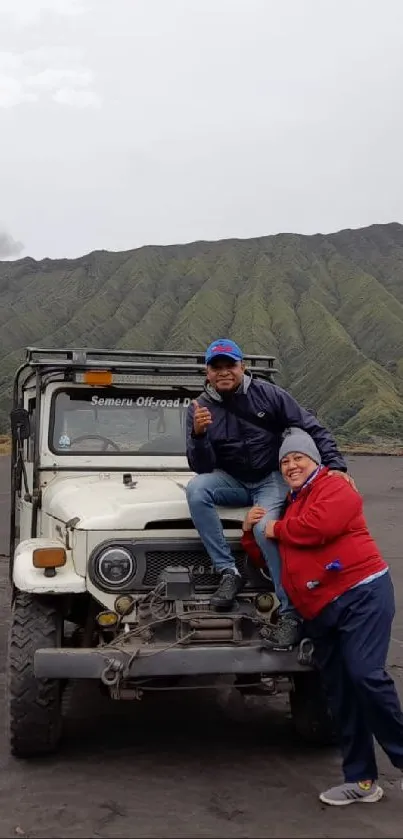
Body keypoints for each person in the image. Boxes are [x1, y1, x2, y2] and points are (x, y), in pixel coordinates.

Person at [241, 427, 403, 806]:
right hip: (321, 610)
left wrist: (275, 527)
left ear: (315, 459)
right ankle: (361, 780)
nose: (292, 465)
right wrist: (251, 532)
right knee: (341, 692)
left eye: (298, 457)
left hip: (361, 593)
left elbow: (319, 528)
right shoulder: (294, 502)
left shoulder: (335, 485)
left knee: (366, 676)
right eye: (285, 461)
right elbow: (270, 555)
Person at [185, 337, 351, 646]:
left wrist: (336, 466)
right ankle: (228, 572)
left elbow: (310, 426)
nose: (223, 372)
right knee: (196, 490)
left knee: (266, 530)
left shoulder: (269, 395)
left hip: (268, 479)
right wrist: (198, 435)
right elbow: (201, 467)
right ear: (207, 372)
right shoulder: (200, 408)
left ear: (242, 367)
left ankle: (290, 614)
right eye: (216, 367)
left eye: (229, 365)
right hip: (231, 480)